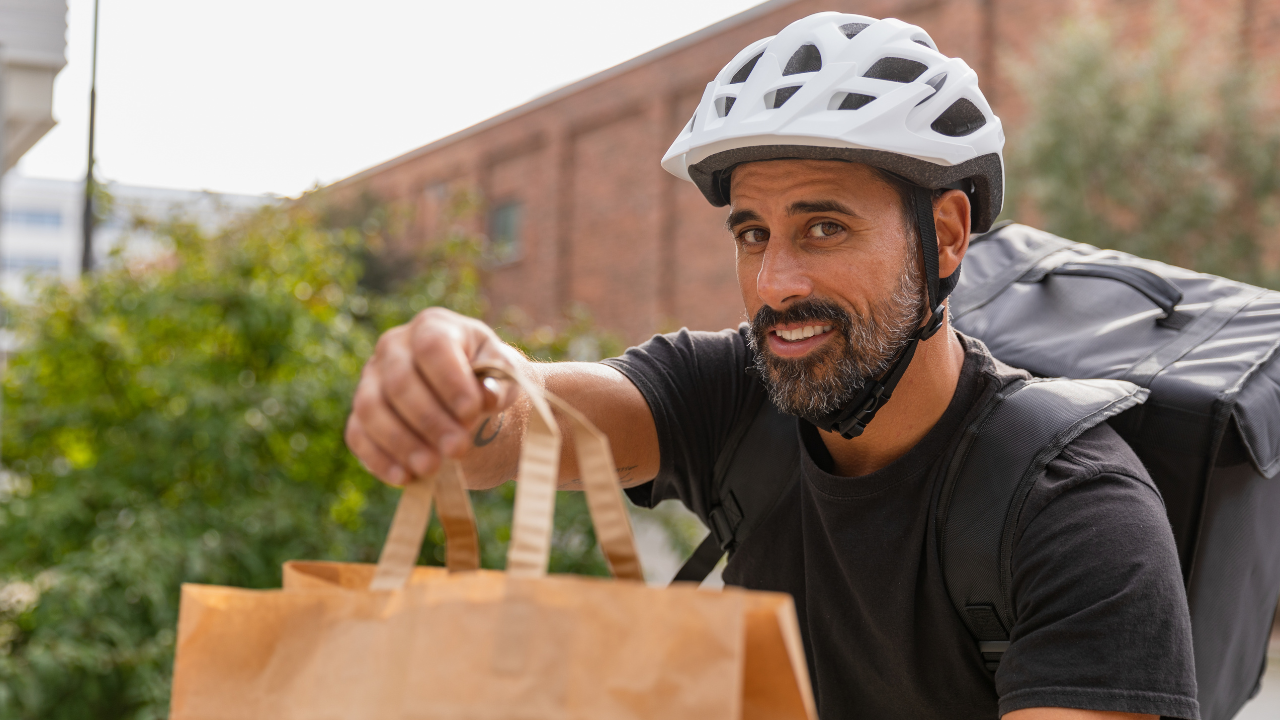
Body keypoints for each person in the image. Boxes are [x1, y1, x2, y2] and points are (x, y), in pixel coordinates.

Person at [344, 12, 1199, 720]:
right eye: (754, 233)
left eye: (824, 227)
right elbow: (514, 434)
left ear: (944, 236)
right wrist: (457, 385)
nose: (775, 284)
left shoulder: (1077, 513)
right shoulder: (733, 394)